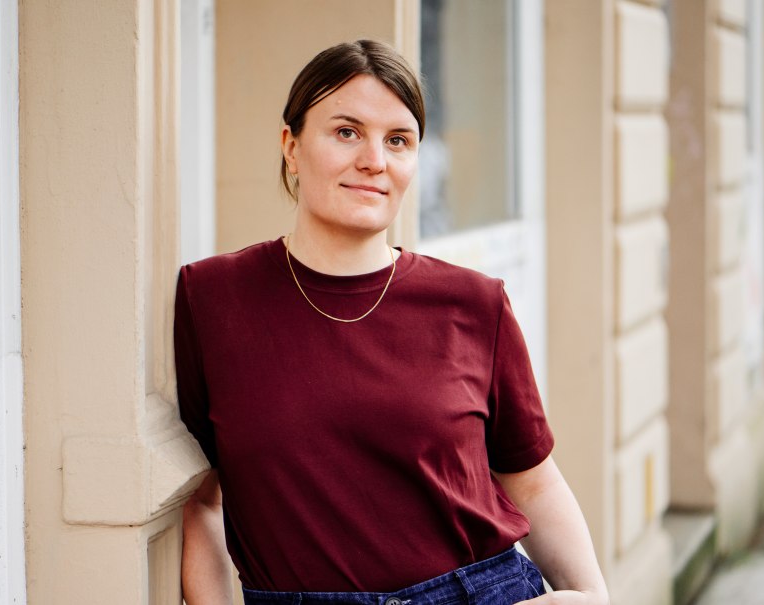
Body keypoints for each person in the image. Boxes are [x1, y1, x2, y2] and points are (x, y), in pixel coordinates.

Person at [175, 39, 609, 605]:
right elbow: (200, 502)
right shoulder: (211, 299)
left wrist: (594, 596)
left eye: (398, 140)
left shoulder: (474, 304)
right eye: (346, 132)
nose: (374, 160)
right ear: (291, 147)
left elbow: (533, 481)